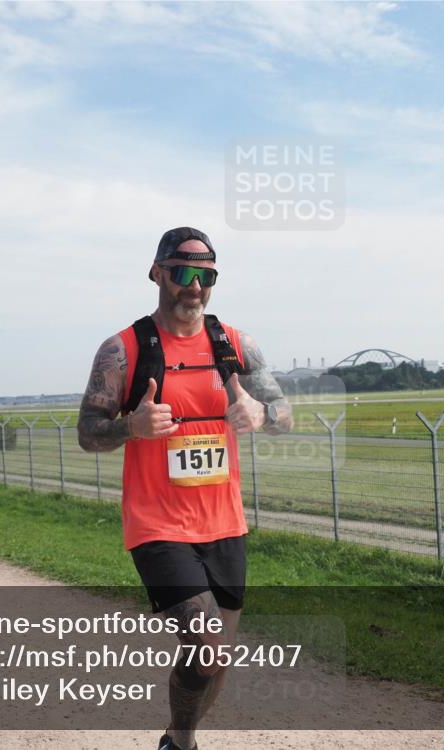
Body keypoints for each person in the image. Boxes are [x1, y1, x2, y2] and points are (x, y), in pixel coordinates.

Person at [78, 227, 292, 750]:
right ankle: (182, 746)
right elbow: (87, 432)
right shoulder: (123, 350)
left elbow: (285, 415)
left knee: (219, 661)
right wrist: (131, 426)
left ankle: (177, 740)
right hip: (157, 525)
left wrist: (260, 413)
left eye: (206, 276)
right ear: (157, 274)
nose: (193, 286)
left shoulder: (237, 345)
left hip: (224, 524)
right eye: (182, 273)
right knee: (209, 649)